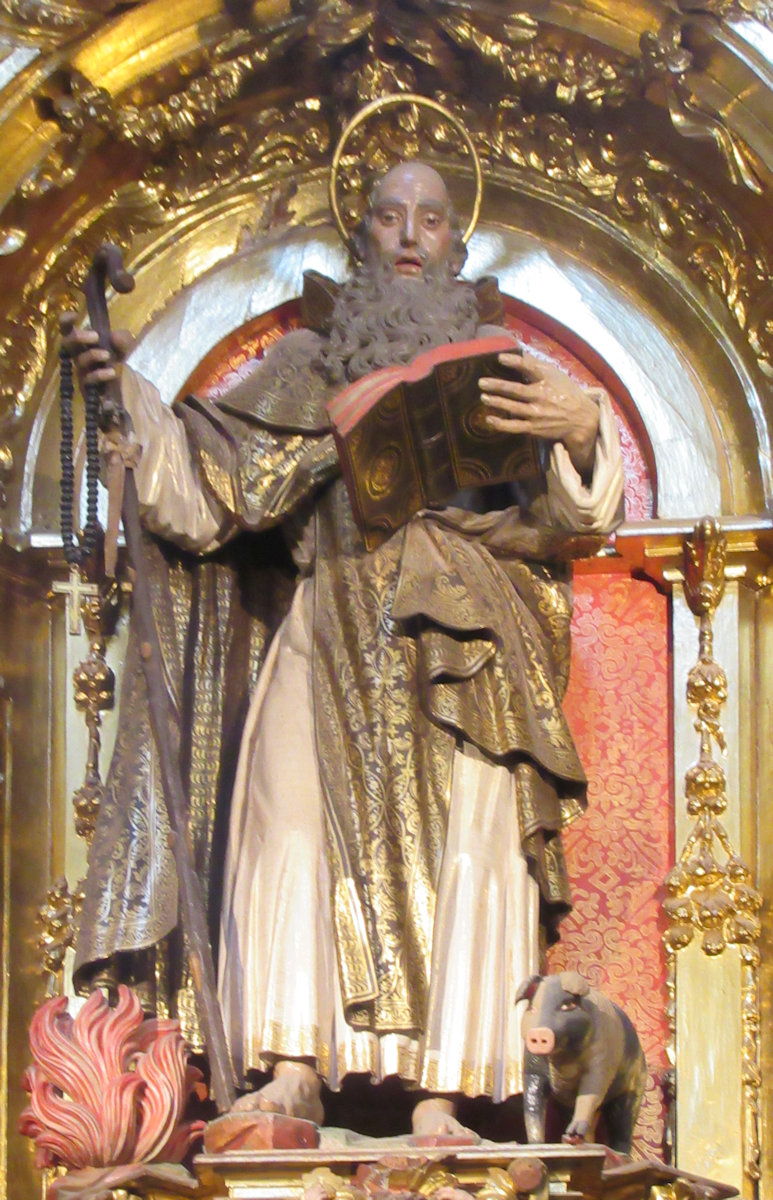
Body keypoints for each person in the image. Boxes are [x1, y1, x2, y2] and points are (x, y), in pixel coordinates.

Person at [70, 161, 624, 1136]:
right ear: (360, 237)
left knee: (464, 852)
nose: (408, 233)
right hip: (324, 619)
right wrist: (134, 400)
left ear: (456, 245)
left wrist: (582, 428)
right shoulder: (302, 368)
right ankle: (290, 1065)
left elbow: (570, 520)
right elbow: (204, 500)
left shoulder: (505, 373)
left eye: (429, 218)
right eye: (387, 216)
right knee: (289, 827)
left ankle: (440, 1095)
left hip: (464, 642)